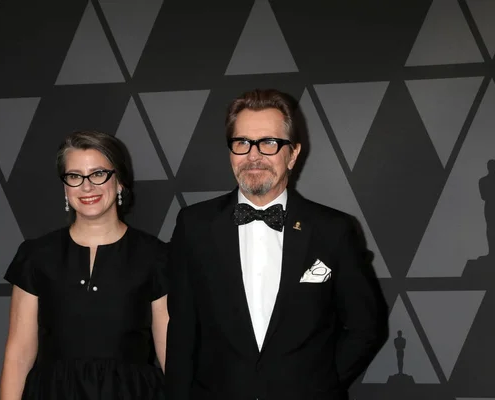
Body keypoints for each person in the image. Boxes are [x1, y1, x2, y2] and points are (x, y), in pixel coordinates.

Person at [165, 89, 388, 400]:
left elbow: (366, 326)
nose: (253, 155)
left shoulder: (333, 230)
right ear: (231, 152)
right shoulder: (194, 225)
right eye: (242, 143)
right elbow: (181, 332)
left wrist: (319, 383)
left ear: (293, 154)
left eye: (269, 142)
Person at [0, 130, 169, 400]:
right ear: (65, 186)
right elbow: (18, 354)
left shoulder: (157, 256)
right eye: (75, 176)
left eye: (99, 174)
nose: (87, 187)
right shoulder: (36, 256)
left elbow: (170, 355)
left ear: (121, 181)